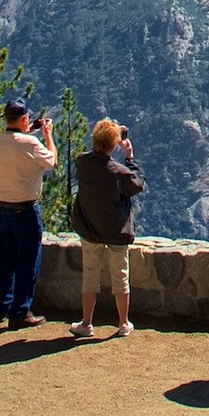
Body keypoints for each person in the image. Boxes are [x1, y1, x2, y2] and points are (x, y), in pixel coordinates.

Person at [0, 100, 58, 329]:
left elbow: (13, 145)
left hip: (1, 208)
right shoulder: (32, 143)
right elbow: (52, 161)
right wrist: (48, 135)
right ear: (25, 119)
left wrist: (29, 131)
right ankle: (20, 312)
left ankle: (0, 306)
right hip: (25, 210)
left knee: (6, 259)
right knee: (28, 261)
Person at [68, 117, 145, 339]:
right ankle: (123, 323)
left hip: (90, 230)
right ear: (114, 145)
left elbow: (90, 156)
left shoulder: (82, 163)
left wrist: (108, 137)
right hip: (115, 231)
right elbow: (137, 184)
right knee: (120, 276)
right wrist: (129, 157)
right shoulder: (118, 172)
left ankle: (86, 323)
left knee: (90, 276)